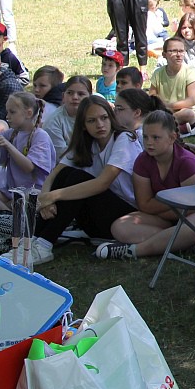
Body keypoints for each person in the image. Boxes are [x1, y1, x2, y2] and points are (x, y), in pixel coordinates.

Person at [32, 95, 142, 264]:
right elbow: (55, 174)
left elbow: (102, 183)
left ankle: (44, 244)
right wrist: (46, 199)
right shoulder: (85, 143)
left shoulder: (124, 139)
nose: (100, 125)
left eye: (104, 118)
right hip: (97, 216)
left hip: (126, 216)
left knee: (77, 178)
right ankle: (34, 239)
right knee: (67, 174)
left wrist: (54, 196)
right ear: (83, 125)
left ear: (111, 117)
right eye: (91, 121)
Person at [95, 109, 195, 260]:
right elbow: (144, 204)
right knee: (119, 227)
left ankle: (135, 250)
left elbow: (192, 207)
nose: (149, 143)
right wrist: (174, 206)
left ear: (172, 137)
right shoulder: (143, 161)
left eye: (156, 138)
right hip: (168, 217)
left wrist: (164, 207)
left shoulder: (187, 162)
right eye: (146, 137)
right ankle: (185, 243)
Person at [0, 91, 56, 211]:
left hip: (35, 192)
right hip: (12, 191)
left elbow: (29, 167)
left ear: (28, 113)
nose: (7, 116)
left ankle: (9, 215)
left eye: (12, 112)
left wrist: (8, 146)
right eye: (7, 111)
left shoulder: (40, 136)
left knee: (21, 202)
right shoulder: (10, 134)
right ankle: (9, 214)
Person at [148, 36, 195, 133]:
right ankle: (175, 127)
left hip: (186, 110)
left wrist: (169, 106)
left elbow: (192, 101)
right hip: (164, 110)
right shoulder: (158, 73)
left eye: (181, 51)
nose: (178, 55)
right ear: (164, 54)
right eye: (173, 51)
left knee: (188, 114)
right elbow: (152, 96)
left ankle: (163, 125)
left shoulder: (190, 72)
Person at [44, 75, 92, 160]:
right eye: (70, 93)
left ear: (90, 97)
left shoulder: (97, 114)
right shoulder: (54, 122)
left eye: (81, 94)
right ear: (63, 96)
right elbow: (62, 156)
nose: (74, 97)